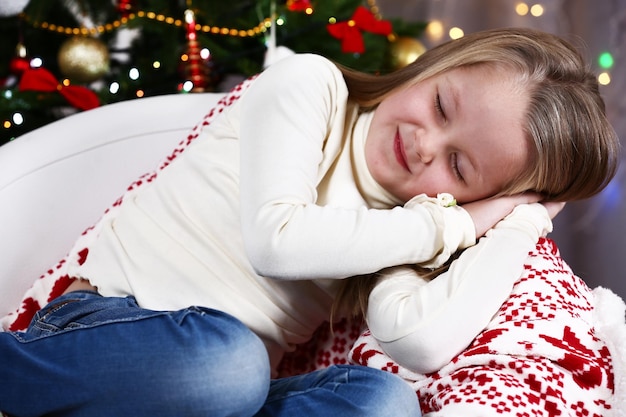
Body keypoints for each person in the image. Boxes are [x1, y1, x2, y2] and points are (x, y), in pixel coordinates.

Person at [0, 27, 618, 417]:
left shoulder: (408, 226)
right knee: (232, 366)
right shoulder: (312, 86)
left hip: (216, 399)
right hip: (111, 325)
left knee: (383, 402)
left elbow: (417, 339)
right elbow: (278, 241)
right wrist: (451, 223)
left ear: (482, 194)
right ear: (434, 66)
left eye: (458, 166)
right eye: (440, 105)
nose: (425, 142)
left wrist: (518, 222)